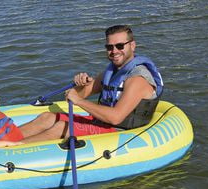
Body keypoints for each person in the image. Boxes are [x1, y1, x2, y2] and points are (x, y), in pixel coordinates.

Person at [20, 25, 164, 143]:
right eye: (109, 47)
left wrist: (79, 101)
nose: (114, 51)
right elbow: (75, 95)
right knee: (47, 117)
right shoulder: (112, 72)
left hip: (121, 132)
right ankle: (1, 138)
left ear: (132, 45)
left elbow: (116, 118)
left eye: (120, 46)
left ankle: (9, 150)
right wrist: (81, 84)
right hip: (102, 123)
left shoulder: (138, 79)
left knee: (62, 127)